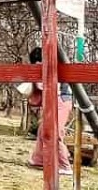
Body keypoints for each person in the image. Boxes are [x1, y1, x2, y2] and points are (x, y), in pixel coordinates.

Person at [27, 46, 74, 175]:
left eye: (40, 62)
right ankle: (38, 159)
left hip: (61, 100)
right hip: (53, 100)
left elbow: (47, 86)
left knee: (55, 133)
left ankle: (64, 165)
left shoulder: (55, 67)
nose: (38, 65)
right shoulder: (41, 70)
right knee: (43, 130)